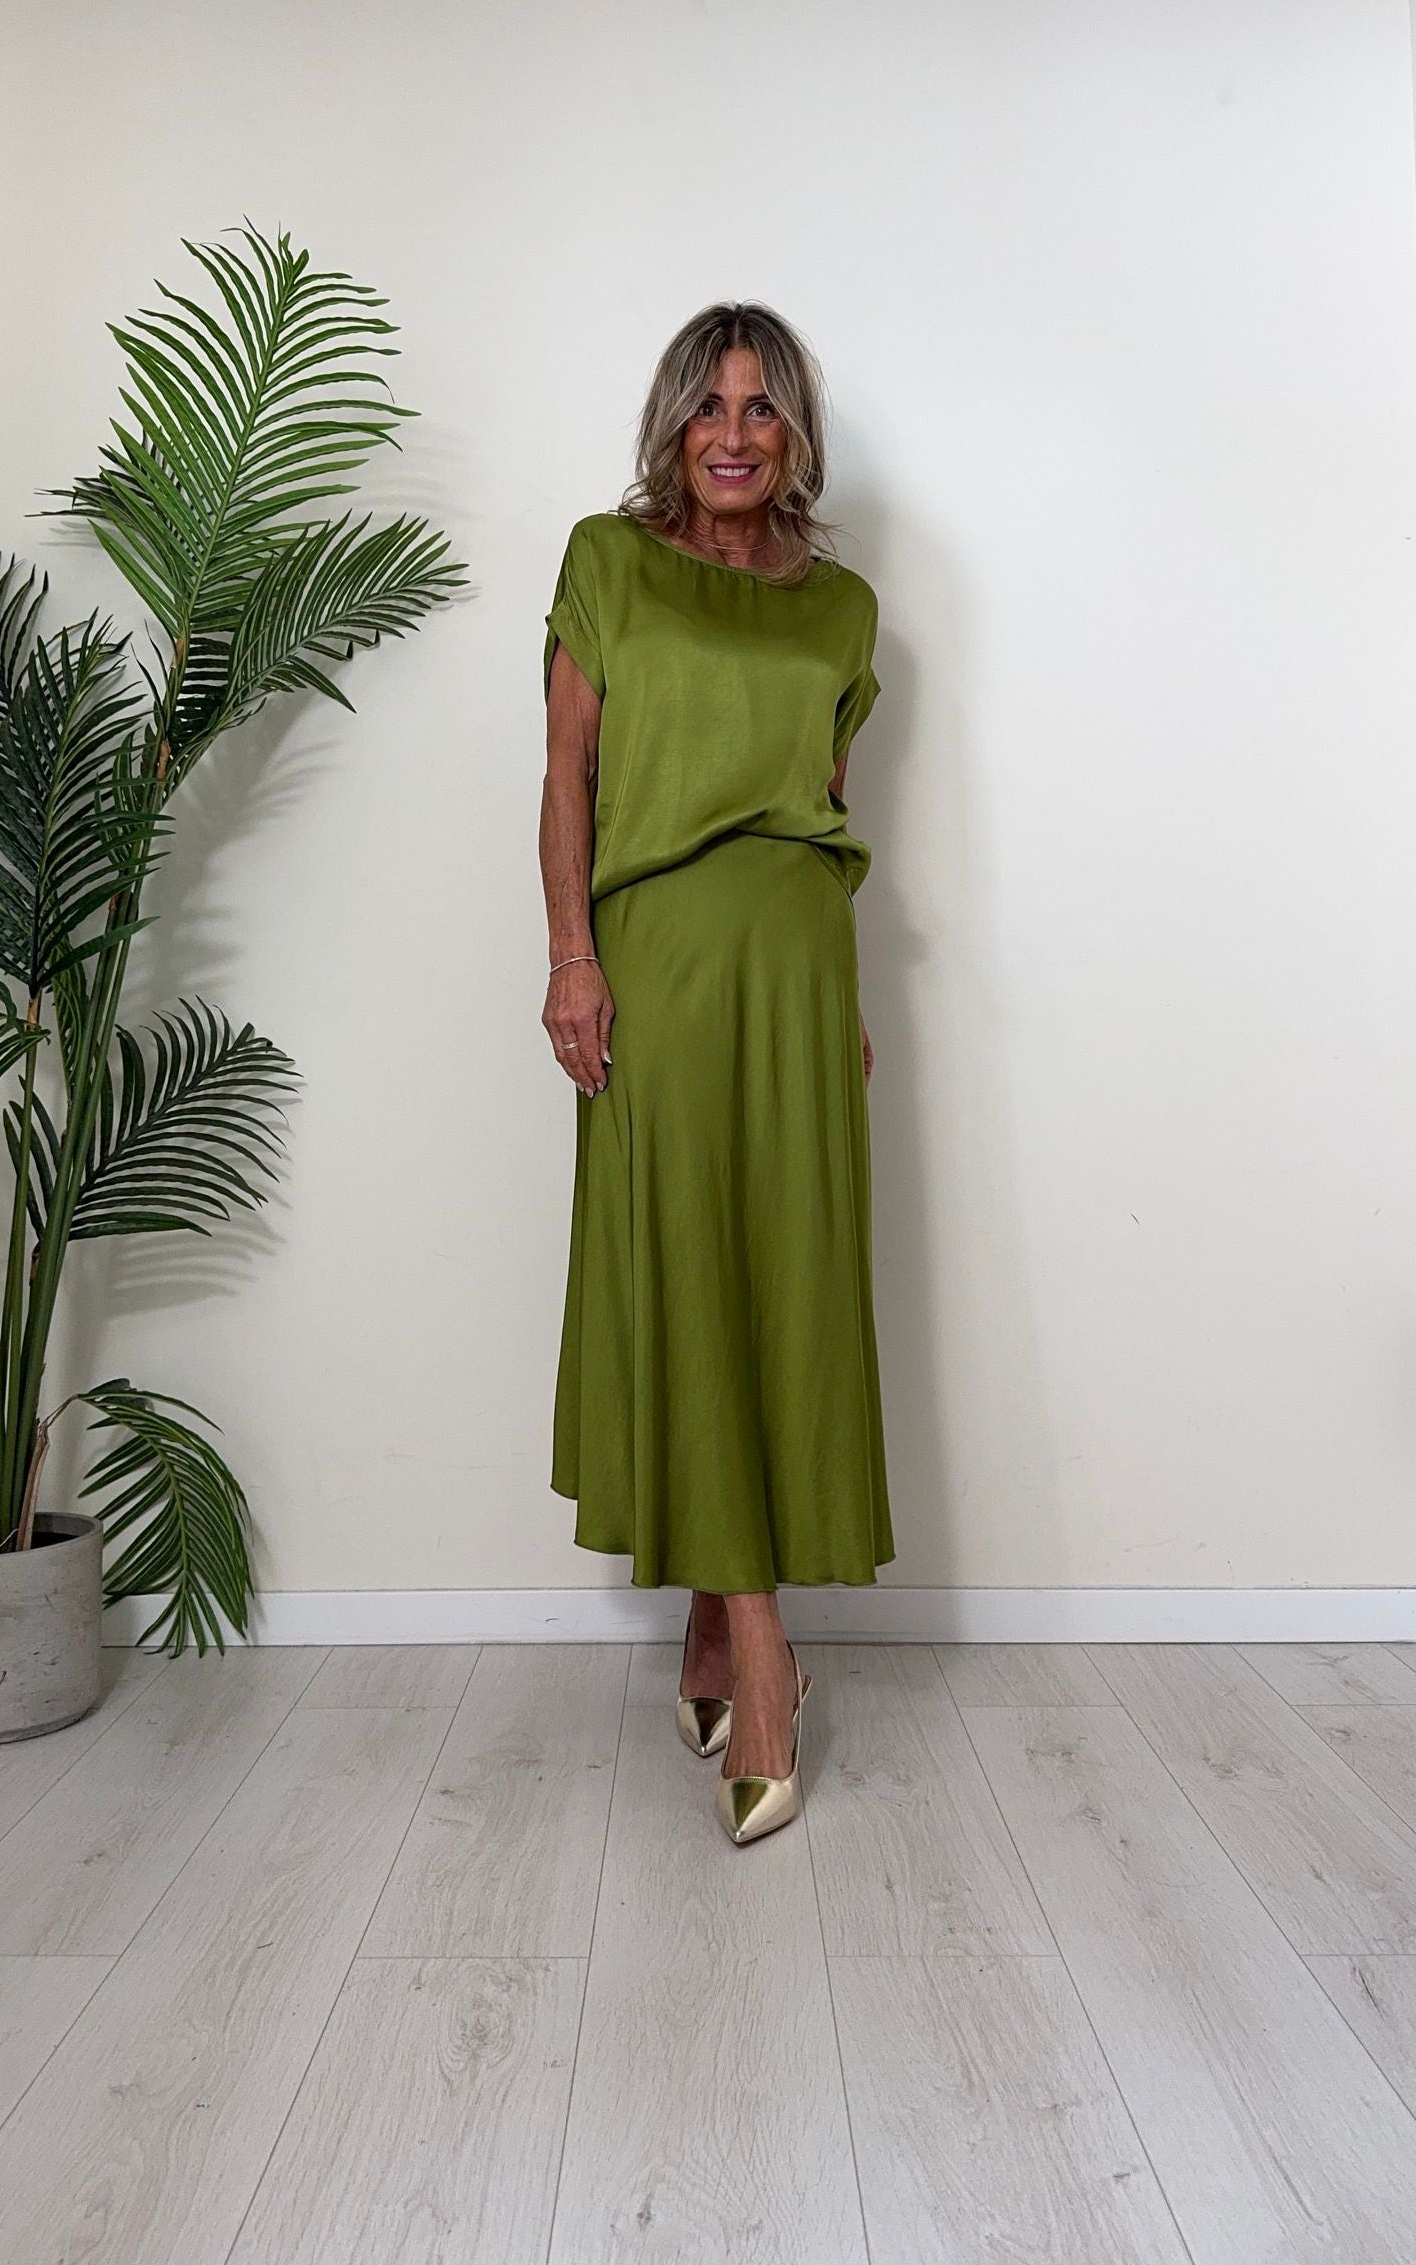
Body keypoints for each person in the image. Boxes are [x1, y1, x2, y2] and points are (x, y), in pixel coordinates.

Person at [538, 302, 894, 1846]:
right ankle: (762, 1656)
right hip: (661, 965)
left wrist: (848, 999)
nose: (735, 435)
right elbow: (568, 776)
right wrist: (573, 955)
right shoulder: (608, 564)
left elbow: (825, 806)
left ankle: (704, 1631)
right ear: (672, 424)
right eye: (709, 406)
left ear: (794, 431)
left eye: (762, 408)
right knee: (686, 1270)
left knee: (779, 1282)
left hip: (799, 969)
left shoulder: (844, 608)